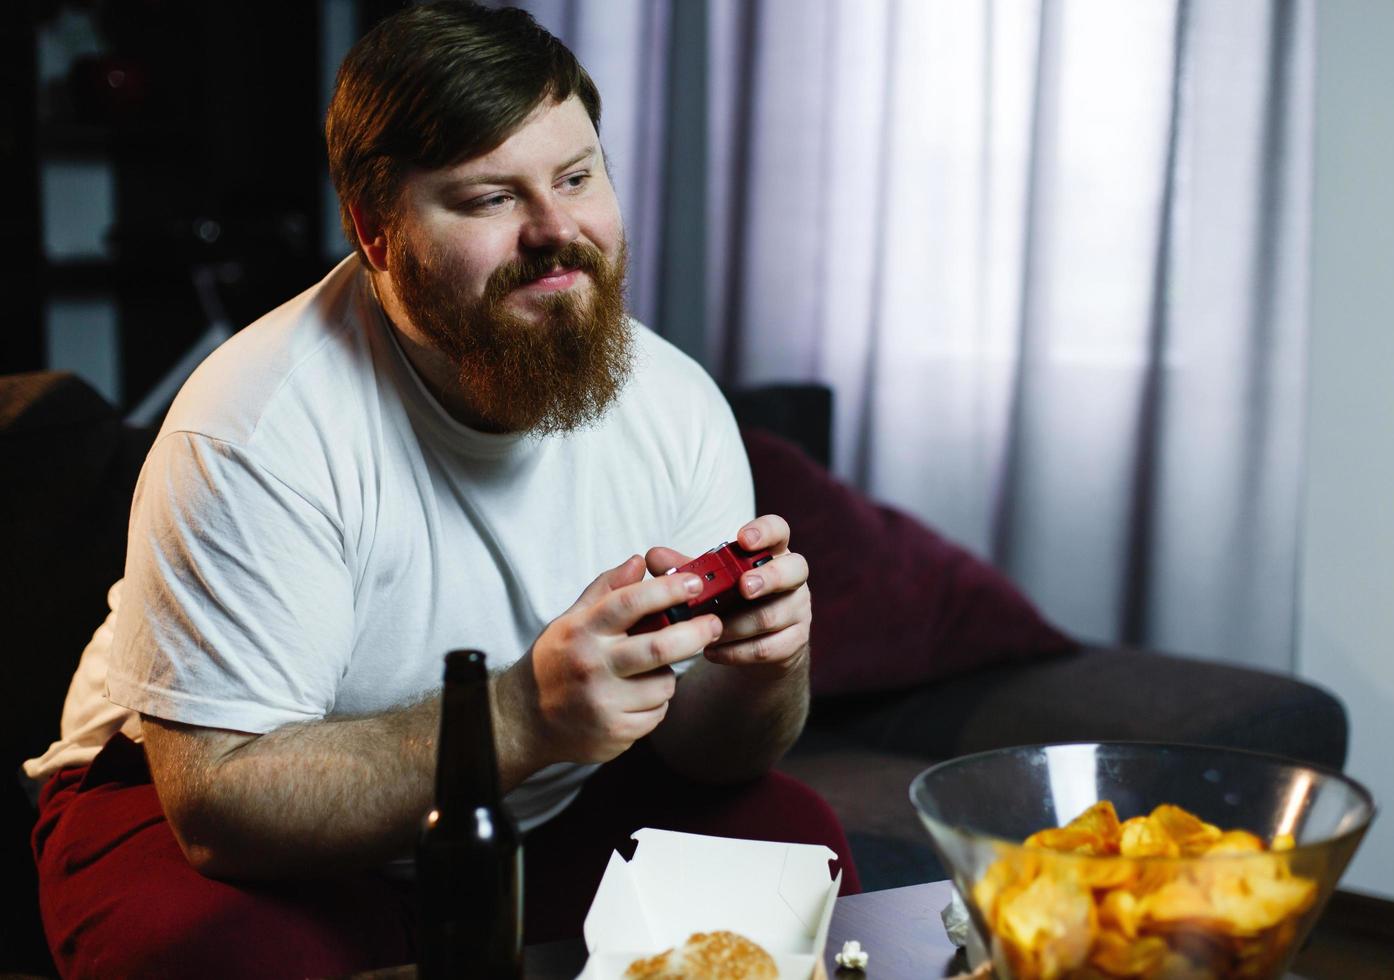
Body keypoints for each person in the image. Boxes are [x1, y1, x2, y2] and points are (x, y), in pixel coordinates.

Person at [24, 4, 858, 976]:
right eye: (489, 199)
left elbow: (717, 754)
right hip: (202, 810)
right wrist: (522, 714)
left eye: (578, 177)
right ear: (377, 232)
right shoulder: (254, 424)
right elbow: (219, 805)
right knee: (219, 956)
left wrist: (766, 668)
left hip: (531, 797)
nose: (557, 231)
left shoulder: (672, 401)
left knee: (791, 840)